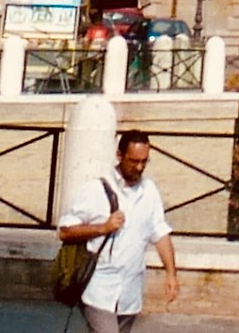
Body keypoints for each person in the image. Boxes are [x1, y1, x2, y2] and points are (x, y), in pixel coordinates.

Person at [57, 127, 179, 332]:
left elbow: (160, 233)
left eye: (144, 161)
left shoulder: (149, 191)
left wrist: (171, 274)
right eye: (134, 161)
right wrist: (103, 227)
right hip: (98, 289)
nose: (139, 167)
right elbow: (65, 231)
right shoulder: (95, 190)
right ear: (120, 155)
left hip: (130, 293)